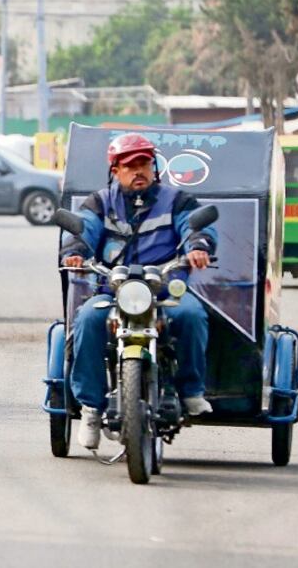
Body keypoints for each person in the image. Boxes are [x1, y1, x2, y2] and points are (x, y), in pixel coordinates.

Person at [60, 133, 217, 449]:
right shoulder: (100, 203)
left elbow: (196, 228)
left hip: (163, 290)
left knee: (191, 314)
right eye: (130, 166)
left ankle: (191, 391)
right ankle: (91, 409)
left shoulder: (177, 200)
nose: (139, 171)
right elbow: (83, 231)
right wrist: (75, 252)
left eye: (144, 163)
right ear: (115, 170)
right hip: (112, 289)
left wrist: (199, 246)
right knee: (88, 320)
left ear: (154, 167)